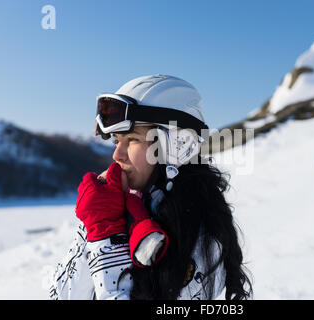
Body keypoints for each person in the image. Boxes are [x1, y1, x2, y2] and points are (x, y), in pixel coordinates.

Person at [49, 74, 252, 300]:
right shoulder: (128, 207)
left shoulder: (200, 234)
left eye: (132, 140)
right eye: (117, 141)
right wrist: (93, 225)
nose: (117, 154)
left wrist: (107, 237)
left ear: (175, 144)